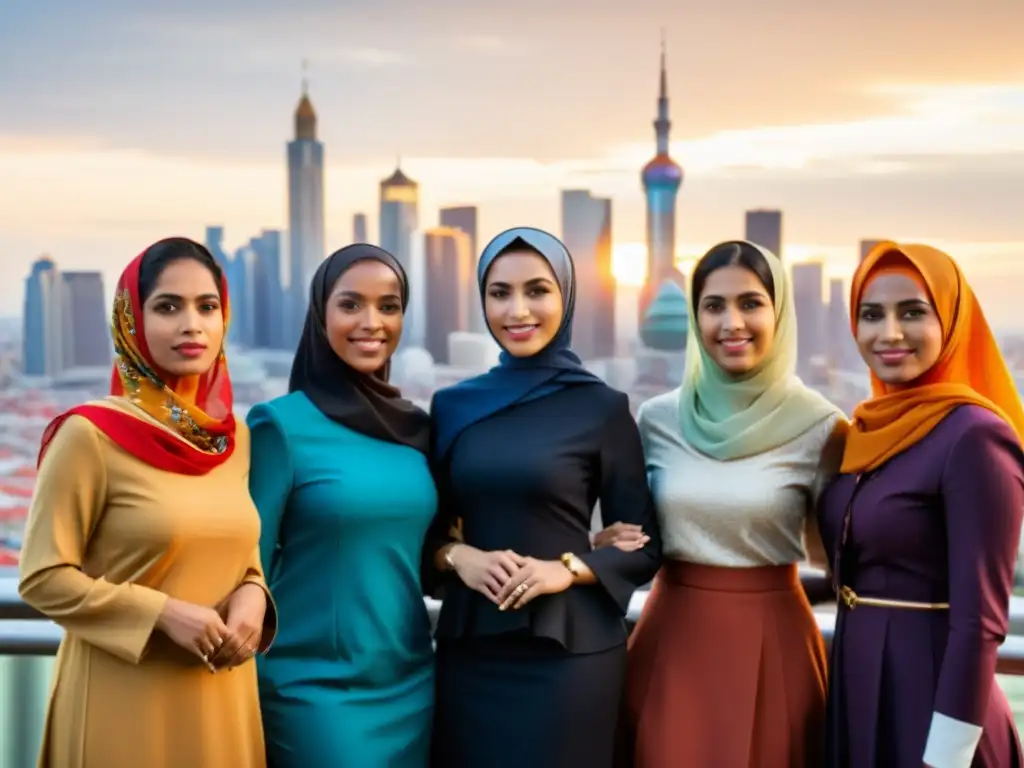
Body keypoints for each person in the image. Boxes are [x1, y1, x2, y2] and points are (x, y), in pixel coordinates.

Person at [18, 237, 276, 768]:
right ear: (130, 322)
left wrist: (255, 592)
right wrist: (160, 612)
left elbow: (235, 552)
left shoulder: (233, 441)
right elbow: (42, 577)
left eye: (207, 306)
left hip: (220, 692)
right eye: (167, 306)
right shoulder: (90, 434)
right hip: (123, 696)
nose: (192, 324)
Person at [425, 226, 661, 768]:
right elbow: (429, 537)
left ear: (566, 297)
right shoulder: (453, 407)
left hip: (570, 657)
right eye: (500, 292)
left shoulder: (601, 407)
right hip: (472, 652)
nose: (518, 310)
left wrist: (569, 566)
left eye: (538, 290)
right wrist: (463, 556)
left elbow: (645, 546)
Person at [612, 240, 847, 767]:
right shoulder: (656, 419)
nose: (732, 322)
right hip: (671, 641)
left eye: (751, 303)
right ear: (695, 318)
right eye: (714, 305)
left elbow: (836, 560)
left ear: (779, 311)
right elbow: (630, 532)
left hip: (776, 642)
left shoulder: (822, 426)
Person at [817, 242, 1024, 767]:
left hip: (934, 703)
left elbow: (982, 622)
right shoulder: (865, 430)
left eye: (912, 312)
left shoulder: (975, 437)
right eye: (871, 315)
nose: (889, 333)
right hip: (859, 689)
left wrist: (946, 759)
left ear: (952, 321)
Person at [249, 244, 435, 767]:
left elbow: (432, 548)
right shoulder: (279, 425)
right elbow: (249, 565)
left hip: (411, 678)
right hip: (312, 688)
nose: (371, 322)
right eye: (351, 305)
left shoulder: (416, 429)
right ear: (320, 314)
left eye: (389, 306)